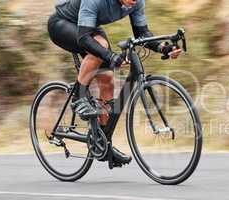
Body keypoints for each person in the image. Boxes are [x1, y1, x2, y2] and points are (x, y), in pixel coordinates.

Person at [47, 0, 182, 167]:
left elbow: (142, 34)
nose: (134, 0)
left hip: (89, 26)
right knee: (102, 49)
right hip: (62, 24)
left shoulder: (136, 2)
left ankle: (103, 143)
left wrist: (164, 48)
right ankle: (78, 97)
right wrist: (111, 56)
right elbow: (83, 39)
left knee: (108, 80)